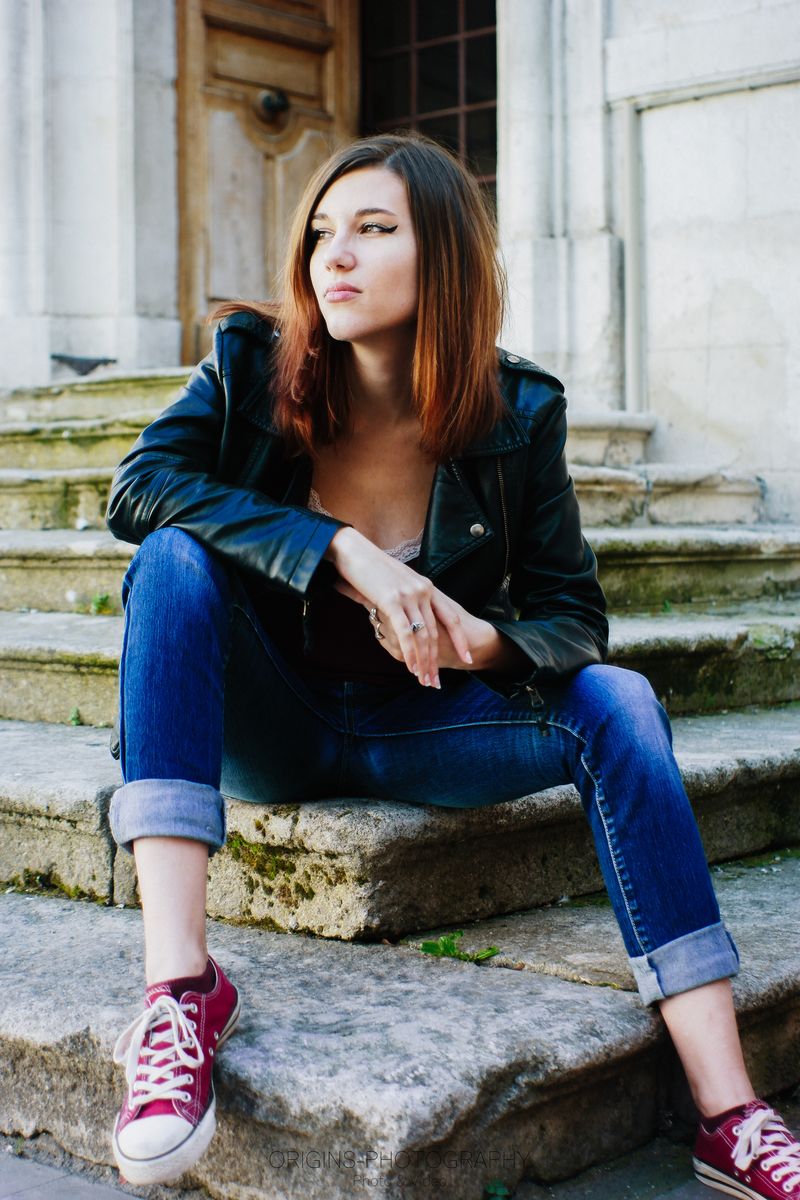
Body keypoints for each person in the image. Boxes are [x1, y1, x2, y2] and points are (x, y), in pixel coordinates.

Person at [105, 132, 800, 1196]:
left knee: (619, 702)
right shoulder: (249, 366)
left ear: (444, 258)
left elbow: (574, 616)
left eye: (373, 230)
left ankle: (728, 1110)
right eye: (321, 234)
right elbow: (140, 488)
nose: (334, 256)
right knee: (170, 561)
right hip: (274, 721)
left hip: (427, 728)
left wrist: (480, 639)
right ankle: (180, 995)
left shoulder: (519, 413)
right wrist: (336, 551)